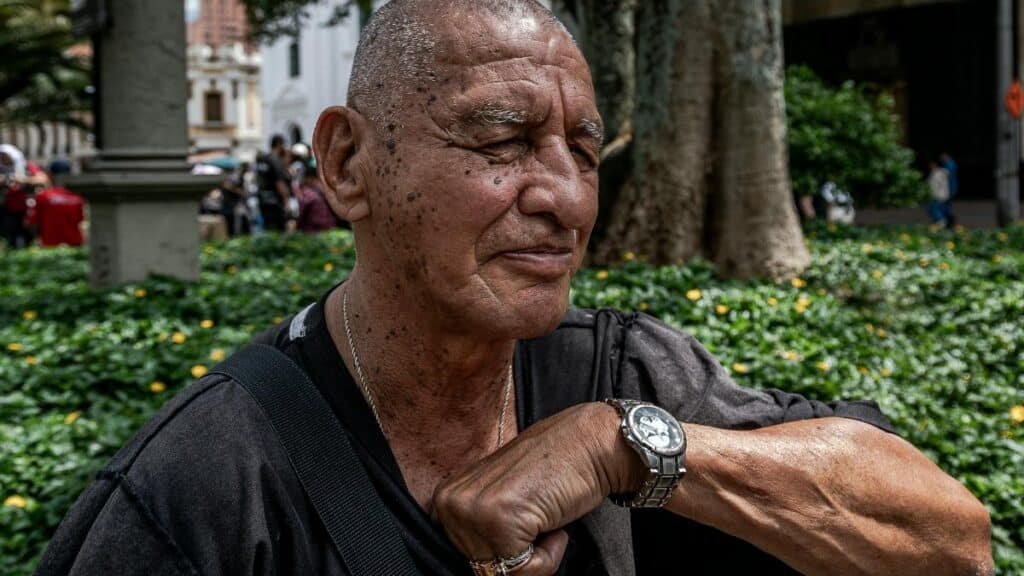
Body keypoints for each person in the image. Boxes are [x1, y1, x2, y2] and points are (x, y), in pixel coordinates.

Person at [37, 2, 992, 575]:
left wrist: (621, 447)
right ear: (347, 163)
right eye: (499, 141)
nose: (565, 197)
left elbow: (954, 544)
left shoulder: (624, 371)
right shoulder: (203, 490)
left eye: (582, 149)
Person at [26, 161, 84, 247]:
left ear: (50, 175)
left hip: (51, 246)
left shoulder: (44, 196)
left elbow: (32, 222)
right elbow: (80, 220)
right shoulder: (77, 197)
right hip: (75, 244)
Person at [255, 134, 292, 232]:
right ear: (279, 144)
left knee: (268, 228)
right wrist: (286, 201)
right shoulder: (275, 160)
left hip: (263, 199)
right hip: (275, 202)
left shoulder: (263, 158)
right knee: (279, 230)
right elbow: (279, 182)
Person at [296, 157, 342, 233]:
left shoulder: (308, 192)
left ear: (308, 178)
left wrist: (297, 226)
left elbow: (303, 211)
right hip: (331, 227)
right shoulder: (324, 187)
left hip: (314, 230)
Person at [927, 159, 951, 226]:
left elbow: (933, 186)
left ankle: (941, 223)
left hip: (937, 196)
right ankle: (942, 222)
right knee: (941, 210)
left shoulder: (936, 174)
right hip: (944, 195)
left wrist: (931, 195)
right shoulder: (942, 173)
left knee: (934, 210)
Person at [939, 152, 958, 226]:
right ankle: (949, 220)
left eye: (942, 157)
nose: (941, 159)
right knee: (946, 205)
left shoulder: (950, 164)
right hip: (948, 188)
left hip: (949, 188)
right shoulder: (948, 164)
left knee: (945, 205)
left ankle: (949, 220)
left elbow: (947, 175)